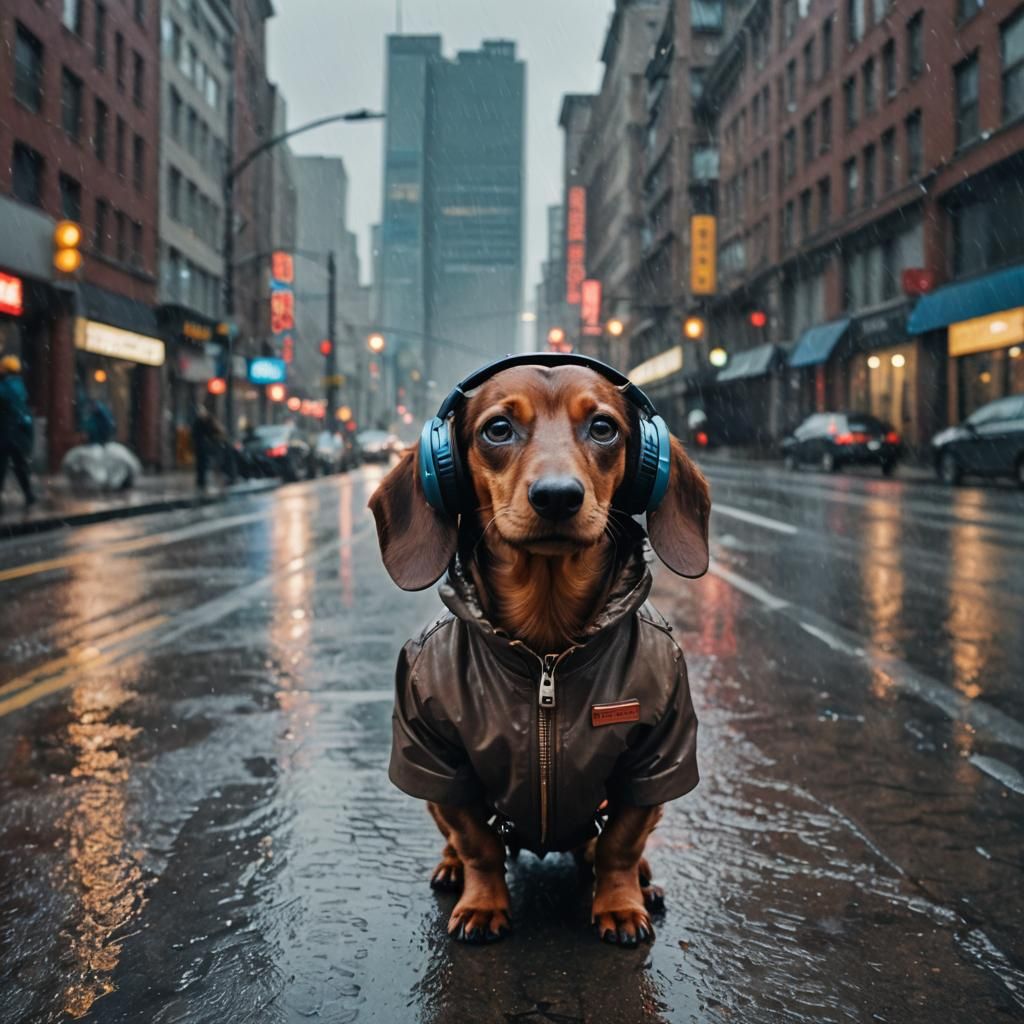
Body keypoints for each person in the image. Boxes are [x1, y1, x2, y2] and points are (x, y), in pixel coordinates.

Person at [0, 355, 36, 508]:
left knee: (2, 466)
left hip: (7, 434)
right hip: (17, 435)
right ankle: (29, 494)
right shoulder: (19, 385)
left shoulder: (6, 387)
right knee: (19, 466)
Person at [191, 404, 226, 490]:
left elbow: (214, 432)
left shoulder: (207, 421)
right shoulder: (199, 422)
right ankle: (201, 481)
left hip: (207, 446)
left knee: (206, 464)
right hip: (202, 446)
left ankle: (204, 481)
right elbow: (195, 434)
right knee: (202, 464)